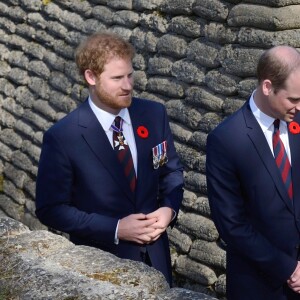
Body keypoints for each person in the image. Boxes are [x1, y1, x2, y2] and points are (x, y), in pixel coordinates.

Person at [35, 32, 184, 286]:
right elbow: (51, 209)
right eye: (117, 78)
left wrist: (168, 210)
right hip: (99, 270)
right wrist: (115, 228)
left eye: (129, 75)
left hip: (157, 262)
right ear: (91, 77)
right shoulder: (63, 137)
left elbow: (170, 172)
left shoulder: (153, 114)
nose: (127, 85)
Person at [206, 45, 300, 299]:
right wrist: (289, 268)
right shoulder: (226, 140)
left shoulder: (297, 121)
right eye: (293, 99)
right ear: (268, 87)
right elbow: (232, 225)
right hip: (259, 285)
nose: (299, 107)